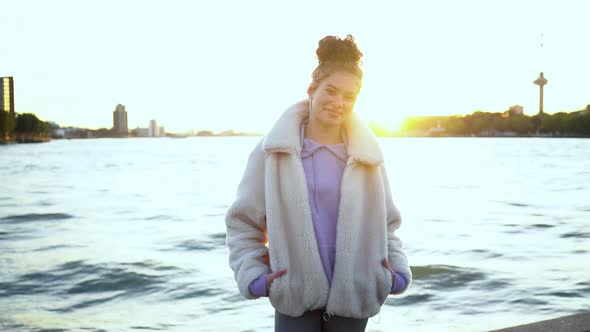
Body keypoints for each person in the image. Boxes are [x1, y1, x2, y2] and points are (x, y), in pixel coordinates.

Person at [225, 34, 411, 332]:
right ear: (312, 89)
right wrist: (256, 278)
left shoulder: (367, 157)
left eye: (349, 97)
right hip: (294, 295)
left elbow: (387, 224)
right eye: (331, 91)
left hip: (355, 295)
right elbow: (243, 222)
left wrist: (396, 274)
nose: (339, 103)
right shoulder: (273, 152)